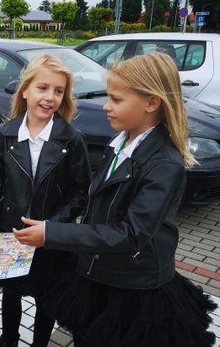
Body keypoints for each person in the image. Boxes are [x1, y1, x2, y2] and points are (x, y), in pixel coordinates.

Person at [14, 53, 217, 347]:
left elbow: (131, 234)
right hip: (101, 273)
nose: (106, 106)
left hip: (133, 286)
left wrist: (51, 233)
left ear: (151, 103)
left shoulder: (164, 165)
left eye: (117, 99)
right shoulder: (120, 142)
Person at [0, 55, 91, 347]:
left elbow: (80, 192)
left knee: (46, 298)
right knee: (11, 293)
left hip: (50, 237)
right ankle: (8, 340)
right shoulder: (5, 133)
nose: (50, 97)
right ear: (25, 90)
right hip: (12, 233)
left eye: (58, 91)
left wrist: (51, 226)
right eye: (42, 88)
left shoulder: (71, 139)